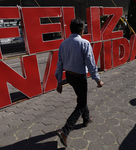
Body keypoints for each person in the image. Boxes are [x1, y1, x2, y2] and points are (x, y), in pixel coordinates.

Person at [55, 18, 103, 147]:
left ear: (70, 29)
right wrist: (97, 79)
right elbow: (91, 63)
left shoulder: (63, 44)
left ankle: (86, 119)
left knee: (82, 98)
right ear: (82, 30)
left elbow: (59, 64)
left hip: (69, 77)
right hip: (80, 78)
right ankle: (65, 131)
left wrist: (59, 82)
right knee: (81, 104)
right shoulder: (85, 43)